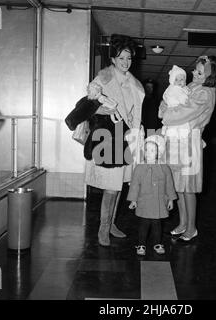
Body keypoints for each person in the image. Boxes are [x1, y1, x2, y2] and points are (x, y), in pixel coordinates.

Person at [85, 34, 145, 246]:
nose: (126, 63)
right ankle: (103, 227)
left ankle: (111, 224)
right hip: (108, 137)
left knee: (119, 185)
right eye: (121, 59)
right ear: (113, 59)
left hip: (126, 137)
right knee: (110, 187)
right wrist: (105, 109)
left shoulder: (136, 85)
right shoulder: (102, 79)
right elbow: (89, 103)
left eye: (129, 59)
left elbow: (136, 114)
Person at [159, 55, 216, 242]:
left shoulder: (205, 93)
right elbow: (168, 99)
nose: (194, 73)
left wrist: (165, 113)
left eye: (199, 72)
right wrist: (165, 107)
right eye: (195, 70)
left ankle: (191, 228)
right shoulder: (193, 87)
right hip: (180, 142)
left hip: (189, 143)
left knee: (189, 189)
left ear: (210, 76)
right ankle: (182, 223)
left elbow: (182, 114)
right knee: (179, 186)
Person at [127, 135, 177, 256]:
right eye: (146, 150)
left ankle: (157, 243)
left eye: (152, 150)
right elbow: (134, 185)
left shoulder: (165, 168)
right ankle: (141, 244)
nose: (148, 153)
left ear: (159, 153)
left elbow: (169, 185)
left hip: (159, 202)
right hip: (144, 202)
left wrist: (171, 199)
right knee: (143, 225)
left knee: (157, 225)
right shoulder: (139, 168)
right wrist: (133, 200)